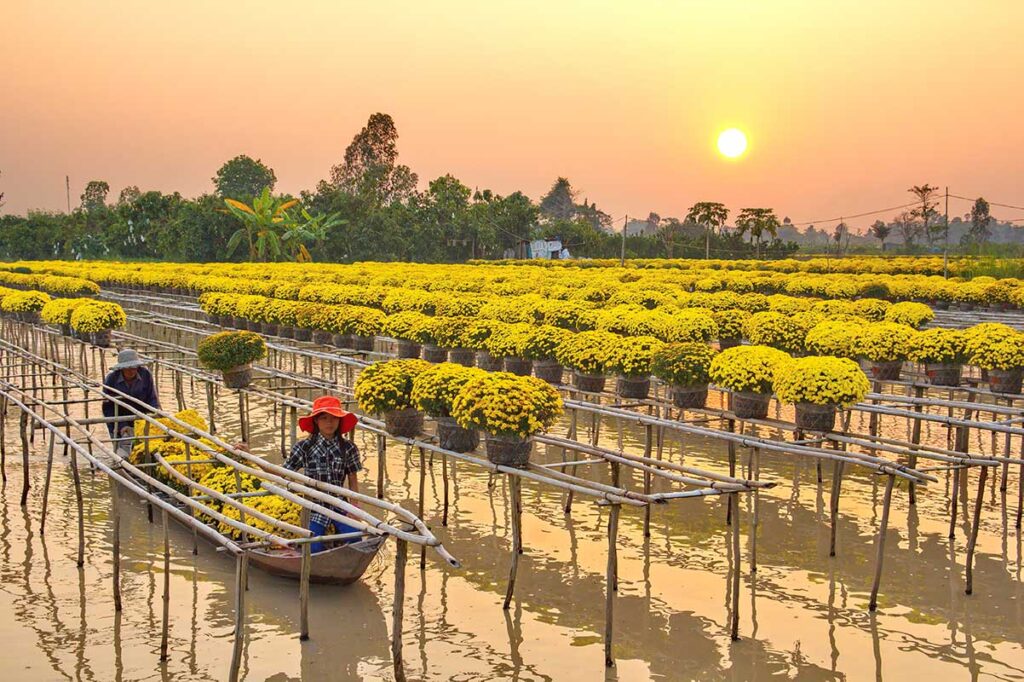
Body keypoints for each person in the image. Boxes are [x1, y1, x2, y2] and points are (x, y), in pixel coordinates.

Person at [284, 395, 362, 552]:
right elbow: (284, 471)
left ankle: (343, 565)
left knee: (356, 537)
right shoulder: (304, 447)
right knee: (313, 546)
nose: (329, 423)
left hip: (339, 503)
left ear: (340, 421)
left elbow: (353, 479)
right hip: (314, 505)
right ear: (316, 421)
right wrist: (251, 457)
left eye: (334, 418)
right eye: (324, 418)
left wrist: (354, 508)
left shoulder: (348, 448)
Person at [102, 349, 161, 453]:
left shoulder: (145, 374)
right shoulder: (111, 379)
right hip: (119, 417)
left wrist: (155, 414)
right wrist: (121, 426)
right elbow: (108, 408)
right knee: (122, 448)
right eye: (128, 368)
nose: (132, 371)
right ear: (121, 368)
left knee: (144, 447)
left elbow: (152, 398)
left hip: (141, 416)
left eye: (134, 367)